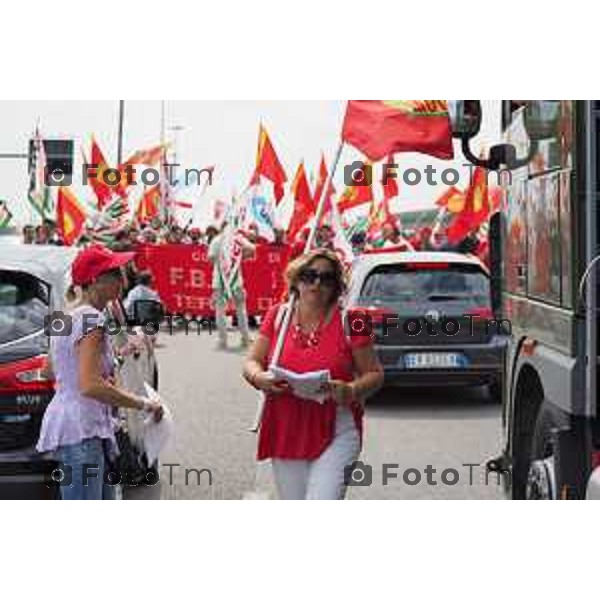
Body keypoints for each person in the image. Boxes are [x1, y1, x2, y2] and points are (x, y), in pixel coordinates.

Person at [243, 248, 384, 500]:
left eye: (327, 278)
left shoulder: (356, 319)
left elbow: (374, 374)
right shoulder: (277, 315)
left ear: (337, 286)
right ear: (297, 279)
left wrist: (351, 390)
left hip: (337, 429)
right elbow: (252, 361)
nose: (317, 283)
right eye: (310, 275)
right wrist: (259, 378)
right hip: (286, 428)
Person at [36, 245, 163, 500]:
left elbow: (49, 370)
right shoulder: (93, 319)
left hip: (70, 426)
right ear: (95, 280)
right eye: (115, 273)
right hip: (85, 428)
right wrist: (143, 403)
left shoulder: (63, 314)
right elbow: (90, 385)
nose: (122, 279)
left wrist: (100, 367)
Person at [208, 225, 255, 349]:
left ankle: (222, 340)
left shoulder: (216, 240)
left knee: (220, 311)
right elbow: (252, 249)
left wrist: (221, 262)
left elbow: (211, 257)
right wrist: (239, 258)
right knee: (241, 310)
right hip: (235, 280)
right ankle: (245, 338)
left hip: (219, 280)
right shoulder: (238, 239)